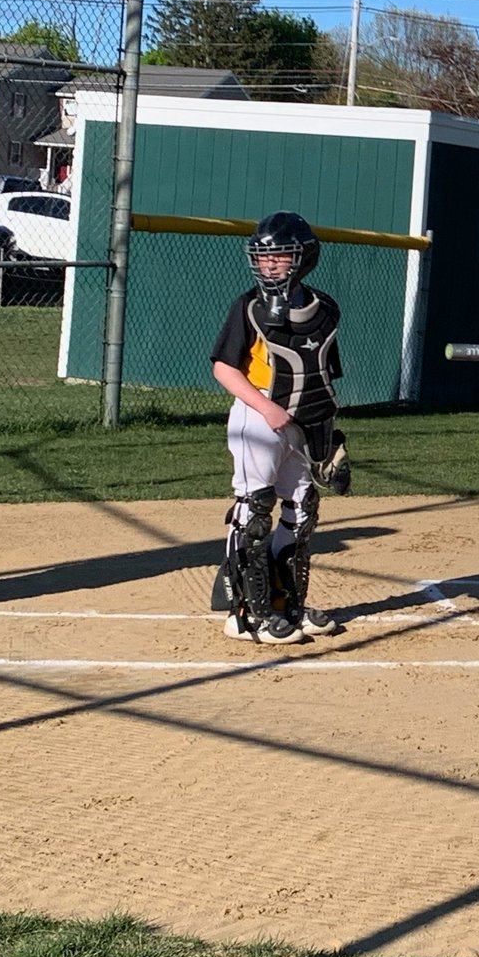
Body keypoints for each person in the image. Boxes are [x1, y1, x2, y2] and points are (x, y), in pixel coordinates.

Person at [209, 210, 351, 645]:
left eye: (280, 257)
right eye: (263, 257)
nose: (269, 265)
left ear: (303, 258)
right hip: (259, 417)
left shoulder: (323, 309)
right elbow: (223, 368)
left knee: (302, 511)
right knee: (254, 511)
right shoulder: (248, 306)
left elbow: (322, 377)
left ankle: (284, 603)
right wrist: (264, 407)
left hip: (305, 424)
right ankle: (245, 614)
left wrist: (330, 435)